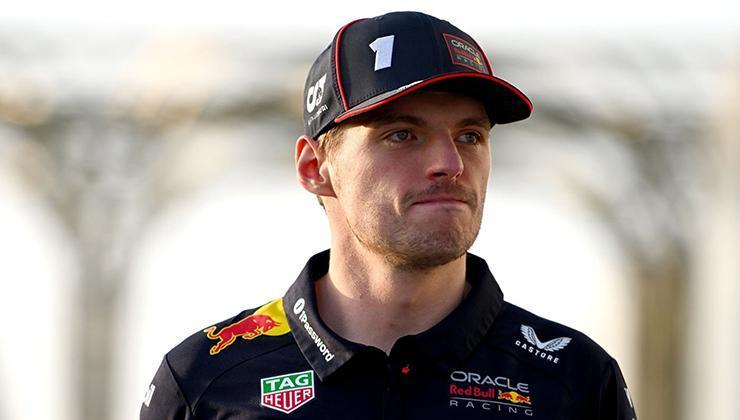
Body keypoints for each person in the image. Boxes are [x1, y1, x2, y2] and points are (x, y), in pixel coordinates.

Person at [141, 11, 638, 419]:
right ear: (315, 169)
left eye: (470, 135)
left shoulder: (575, 379)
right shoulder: (204, 380)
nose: (450, 163)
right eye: (402, 135)